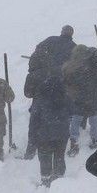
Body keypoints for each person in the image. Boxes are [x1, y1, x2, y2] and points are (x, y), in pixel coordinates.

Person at [24, 51, 70, 185]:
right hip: (61, 132)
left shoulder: (39, 100)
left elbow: (33, 123)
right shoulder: (63, 95)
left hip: (44, 132)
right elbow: (72, 111)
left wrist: (32, 141)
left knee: (44, 155)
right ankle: (59, 177)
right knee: (59, 155)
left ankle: (45, 179)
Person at [63, 45, 97, 155]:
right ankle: (94, 140)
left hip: (81, 98)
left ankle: (74, 142)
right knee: (93, 120)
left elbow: (72, 82)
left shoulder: (81, 69)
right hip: (95, 99)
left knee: (76, 119)